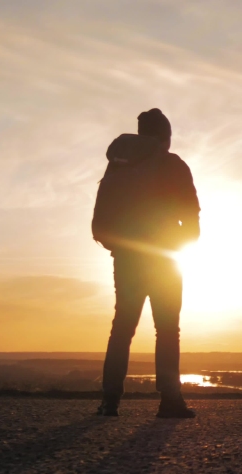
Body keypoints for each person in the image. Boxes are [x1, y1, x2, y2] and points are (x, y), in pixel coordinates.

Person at [93, 108, 200, 418]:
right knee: (167, 330)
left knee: (122, 328)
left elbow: (103, 215)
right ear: (164, 136)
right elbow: (190, 212)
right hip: (164, 259)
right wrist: (182, 243)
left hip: (127, 259)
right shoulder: (172, 164)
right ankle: (170, 401)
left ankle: (109, 401)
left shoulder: (119, 167)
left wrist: (120, 246)